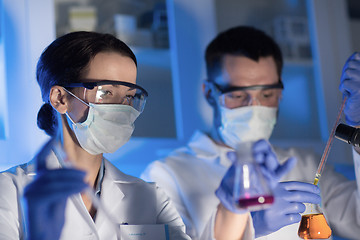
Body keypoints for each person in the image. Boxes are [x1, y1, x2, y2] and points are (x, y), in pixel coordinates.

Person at [141, 26, 360, 239]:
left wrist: (358, 125)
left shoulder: (304, 163)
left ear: (281, 94)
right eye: (238, 95)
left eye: (267, 95)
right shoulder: (164, 177)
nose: (254, 108)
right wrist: (252, 226)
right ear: (209, 93)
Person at [0, 31, 192, 240]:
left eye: (129, 96)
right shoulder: (9, 190)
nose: (122, 108)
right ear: (60, 98)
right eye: (106, 92)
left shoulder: (150, 197)